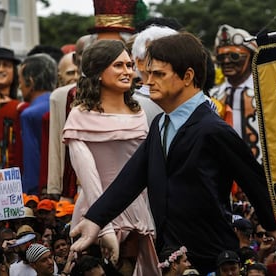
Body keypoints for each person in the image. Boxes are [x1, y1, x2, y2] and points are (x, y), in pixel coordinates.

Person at [69, 32, 276, 275]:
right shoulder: (160, 123)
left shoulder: (213, 128)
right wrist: (94, 220)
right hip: (170, 257)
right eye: (148, 74)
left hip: (212, 258)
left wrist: (274, 227)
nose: (148, 82)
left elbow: (252, 179)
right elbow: (130, 179)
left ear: (187, 77)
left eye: (159, 74)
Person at [63, 39, 159, 274]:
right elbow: (88, 177)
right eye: (118, 65)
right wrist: (103, 228)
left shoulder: (139, 112)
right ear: (97, 71)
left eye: (129, 65)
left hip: (138, 216)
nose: (128, 71)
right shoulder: (79, 115)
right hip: (92, 214)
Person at [47, 34, 96, 201]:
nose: (91, 58)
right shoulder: (63, 96)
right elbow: (57, 143)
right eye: (85, 53)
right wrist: (54, 187)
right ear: (76, 58)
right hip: (76, 183)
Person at [209, 24, 261, 163]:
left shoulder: (266, 93)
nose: (226, 61)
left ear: (250, 56)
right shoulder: (212, 96)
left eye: (234, 56)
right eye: (221, 57)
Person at [18, 53, 57, 195]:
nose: (19, 86)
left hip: (39, 192)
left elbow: (31, 160)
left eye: (20, 80)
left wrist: (28, 195)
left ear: (31, 81)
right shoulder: (63, 105)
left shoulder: (29, 115)